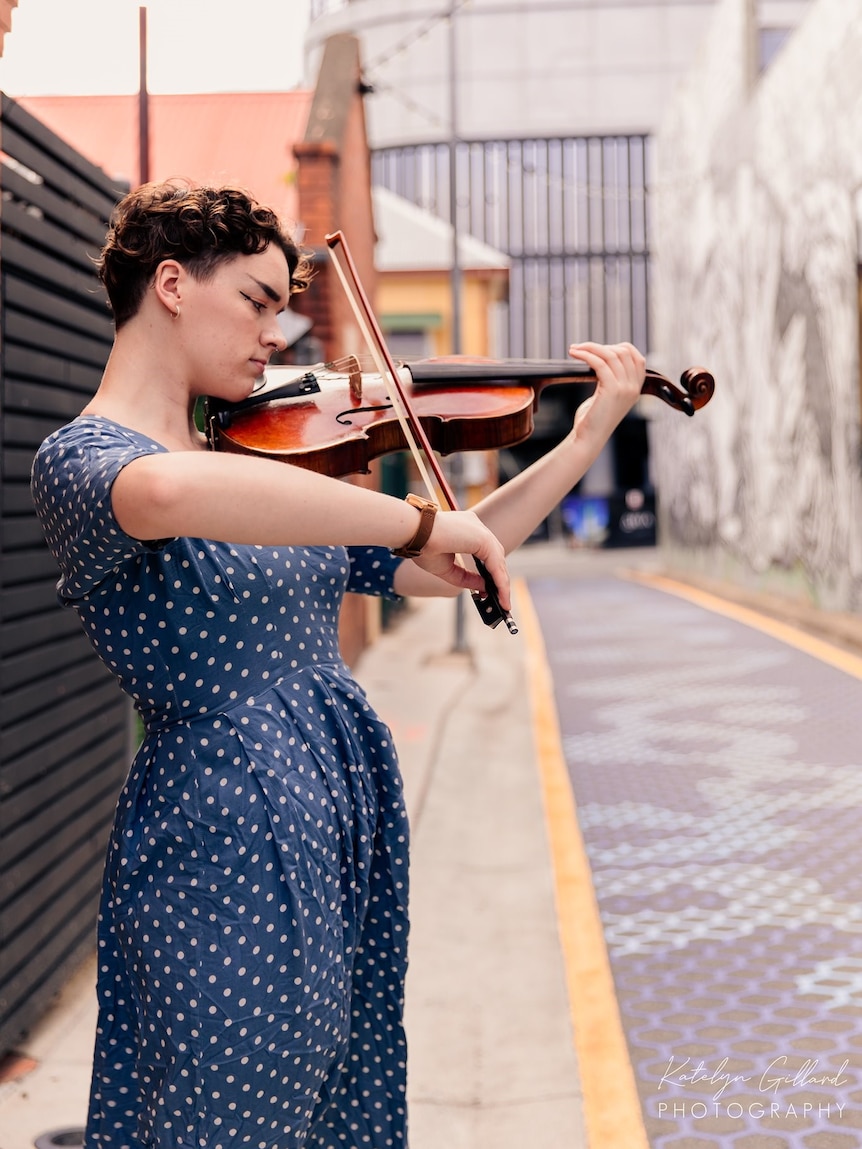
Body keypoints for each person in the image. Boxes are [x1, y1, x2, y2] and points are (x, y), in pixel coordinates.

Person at [30, 180, 645, 1149]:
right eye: (258, 301)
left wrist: (586, 432)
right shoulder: (86, 461)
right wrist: (410, 514)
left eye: (282, 308)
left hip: (338, 823)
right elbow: (166, 493)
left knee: (336, 1099)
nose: (277, 335)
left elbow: (456, 556)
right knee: (225, 1111)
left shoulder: (270, 468)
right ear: (173, 284)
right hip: (219, 833)